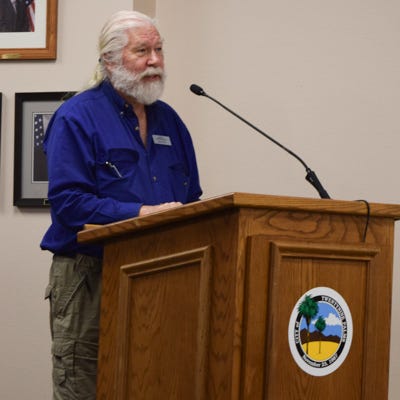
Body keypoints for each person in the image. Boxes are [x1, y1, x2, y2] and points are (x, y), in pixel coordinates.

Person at [41, 10, 202, 399]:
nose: (155, 61)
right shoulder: (77, 117)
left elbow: (192, 199)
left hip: (163, 273)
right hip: (91, 274)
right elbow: (69, 204)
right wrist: (141, 215)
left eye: (159, 50)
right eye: (142, 51)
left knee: (154, 384)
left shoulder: (170, 122)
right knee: (86, 387)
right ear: (110, 60)